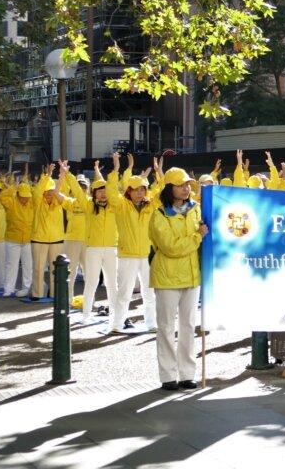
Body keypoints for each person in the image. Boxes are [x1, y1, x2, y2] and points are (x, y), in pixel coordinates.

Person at [149, 167, 208, 390]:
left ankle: (187, 374)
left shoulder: (197, 210)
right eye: (181, 185)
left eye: (187, 185)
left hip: (192, 277)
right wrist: (197, 237)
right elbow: (171, 247)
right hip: (167, 277)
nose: (186, 189)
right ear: (169, 188)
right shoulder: (159, 215)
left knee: (188, 326)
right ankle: (167, 375)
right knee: (165, 327)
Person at [110, 152, 158, 333]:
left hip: (147, 255)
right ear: (129, 190)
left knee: (149, 293)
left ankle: (151, 323)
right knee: (124, 293)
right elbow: (111, 192)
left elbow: (161, 193)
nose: (140, 192)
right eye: (137, 189)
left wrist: (159, 174)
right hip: (127, 255)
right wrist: (116, 169)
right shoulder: (121, 205)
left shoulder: (150, 205)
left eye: (143, 189)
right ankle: (116, 324)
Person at [70, 162, 120, 321]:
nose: (103, 194)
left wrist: (116, 169)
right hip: (93, 249)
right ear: (94, 193)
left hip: (112, 249)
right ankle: (85, 315)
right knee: (91, 283)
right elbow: (78, 192)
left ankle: (115, 315)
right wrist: (68, 175)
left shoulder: (115, 206)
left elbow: (115, 186)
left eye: (105, 191)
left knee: (112, 284)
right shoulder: (89, 206)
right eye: (100, 191)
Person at [30, 164, 76, 300]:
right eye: (47, 191)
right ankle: (37, 294)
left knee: (56, 270)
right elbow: (37, 191)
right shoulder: (38, 202)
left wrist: (63, 174)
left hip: (57, 239)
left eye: (52, 191)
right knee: (38, 268)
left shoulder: (59, 203)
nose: (50, 194)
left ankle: (54, 293)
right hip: (39, 239)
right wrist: (48, 175)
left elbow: (65, 189)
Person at [61, 173, 91, 304]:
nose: (81, 188)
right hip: (71, 240)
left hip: (88, 241)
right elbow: (59, 194)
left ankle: (89, 300)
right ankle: (68, 300)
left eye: (83, 186)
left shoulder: (90, 203)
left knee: (89, 273)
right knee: (70, 272)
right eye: (79, 186)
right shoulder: (70, 202)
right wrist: (63, 175)